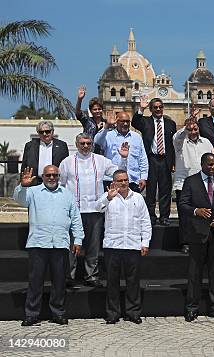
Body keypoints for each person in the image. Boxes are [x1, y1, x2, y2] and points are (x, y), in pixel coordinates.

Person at [14, 165, 83, 326]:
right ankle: (31, 314)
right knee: (35, 282)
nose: (52, 178)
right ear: (42, 177)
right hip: (38, 243)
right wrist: (23, 186)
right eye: (48, 175)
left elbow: (75, 219)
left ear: (59, 176)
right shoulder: (33, 192)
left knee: (59, 282)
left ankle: (58, 313)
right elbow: (20, 200)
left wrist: (78, 239)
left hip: (60, 244)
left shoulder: (67, 194)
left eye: (55, 175)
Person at [59, 133, 129, 288]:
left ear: (92, 144)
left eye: (88, 143)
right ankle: (68, 275)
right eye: (82, 143)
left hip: (95, 210)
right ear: (76, 144)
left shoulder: (100, 160)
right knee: (72, 244)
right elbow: (61, 185)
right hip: (74, 211)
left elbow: (118, 174)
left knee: (93, 245)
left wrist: (123, 158)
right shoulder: (67, 162)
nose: (85, 146)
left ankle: (91, 275)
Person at [179, 153, 214, 322]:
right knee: (194, 273)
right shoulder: (191, 181)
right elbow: (183, 204)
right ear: (202, 164)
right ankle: (191, 308)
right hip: (197, 234)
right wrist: (196, 211)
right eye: (209, 165)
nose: (213, 168)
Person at [96, 170, 151, 324]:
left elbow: (145, 221)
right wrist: (108, 197)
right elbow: (97, 208)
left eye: (125, 180)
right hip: (113, 246)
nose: (123, 183)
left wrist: (145, 242)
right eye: (120, 180)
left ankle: (133, 312)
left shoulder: (138, 198)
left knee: (133, 282)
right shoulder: (109, 197)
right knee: (112, 282)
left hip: (132, 246)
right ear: (114, 182)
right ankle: (113, 313)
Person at [132, 96, 177, 226]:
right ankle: (151, 215)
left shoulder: (170, 124)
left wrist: (173, 162)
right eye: (155, 107)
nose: (158, 109)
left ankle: (164, 216)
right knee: (150, 190)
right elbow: (134, 122)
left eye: (160, 107)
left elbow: (172, 145)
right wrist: (141, 108)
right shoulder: (145, 122)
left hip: (165, 160)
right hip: (151, 159)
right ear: (151, 109)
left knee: (165, 190)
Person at [173, 118, 214, 254]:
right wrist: (186, 128)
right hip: (183, 183)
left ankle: (203, 241)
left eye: (195, 129)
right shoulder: (180, 142)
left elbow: (211, 160)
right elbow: (177, 137)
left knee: (202, 215)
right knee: (185, 216)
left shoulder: (206, 142)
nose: (193, 131)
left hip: (202, 183)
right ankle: (185, 242)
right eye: (190, 129)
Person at [94, 112, 148, 193]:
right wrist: (107, 125)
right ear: (116, 122)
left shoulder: (137, 137)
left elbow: (142, 158)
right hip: (112, 180)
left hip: (132, 180)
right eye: (122, 121)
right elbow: (97, 141)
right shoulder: (108, 135)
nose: (125, 124)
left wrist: (143, 177)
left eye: (127, 121)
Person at [21, 120, 69, 185]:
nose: (44, 134)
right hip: (35, 182)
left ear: (52, 131)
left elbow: (66, 166)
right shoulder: (30, 146)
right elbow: (24, 165)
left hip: (55, 182)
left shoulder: (62, 145)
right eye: (41, 132)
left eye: (47, 131)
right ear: (38, 133)